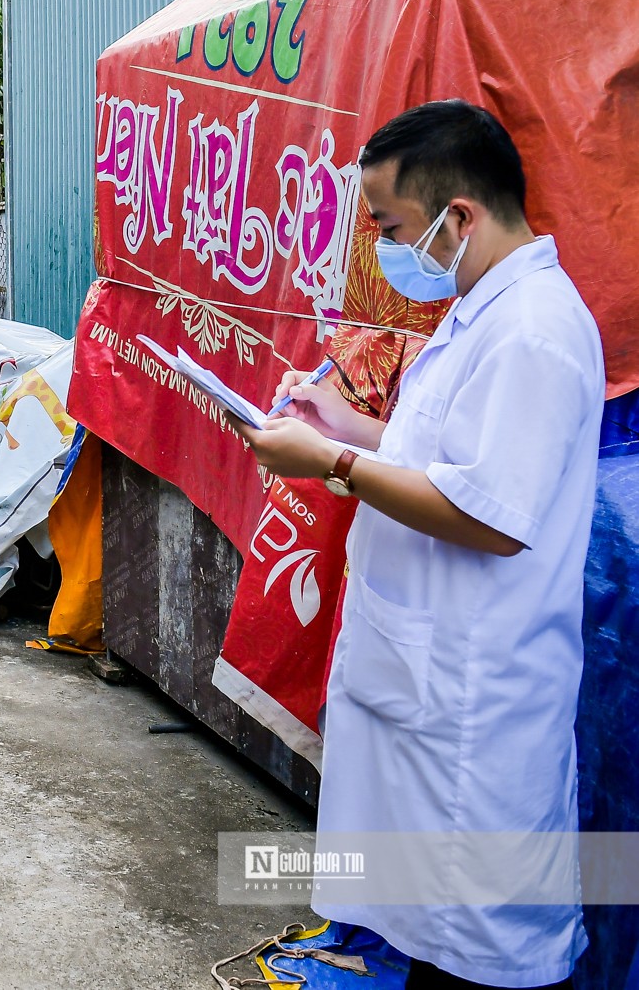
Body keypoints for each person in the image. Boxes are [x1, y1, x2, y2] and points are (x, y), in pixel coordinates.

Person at [237, 101, 602, 989]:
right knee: (427, 930)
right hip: (429, 680)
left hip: (476, 706)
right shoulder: (482, 311)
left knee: (479, 951)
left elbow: (490, 515)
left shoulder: (535, 332)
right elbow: (434, 456)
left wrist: (328, 460)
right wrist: (344, 423)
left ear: (461, 216)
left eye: (392, 228)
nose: (387, 250)